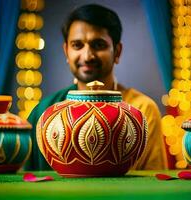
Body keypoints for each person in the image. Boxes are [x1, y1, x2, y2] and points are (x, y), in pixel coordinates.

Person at [25, 4, 167, 170]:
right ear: (66, 51)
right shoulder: (44, 112)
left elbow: (150, 186)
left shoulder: (141, 109)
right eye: (77, 45)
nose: (87, 56)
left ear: (117, 52)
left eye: (99, 45)